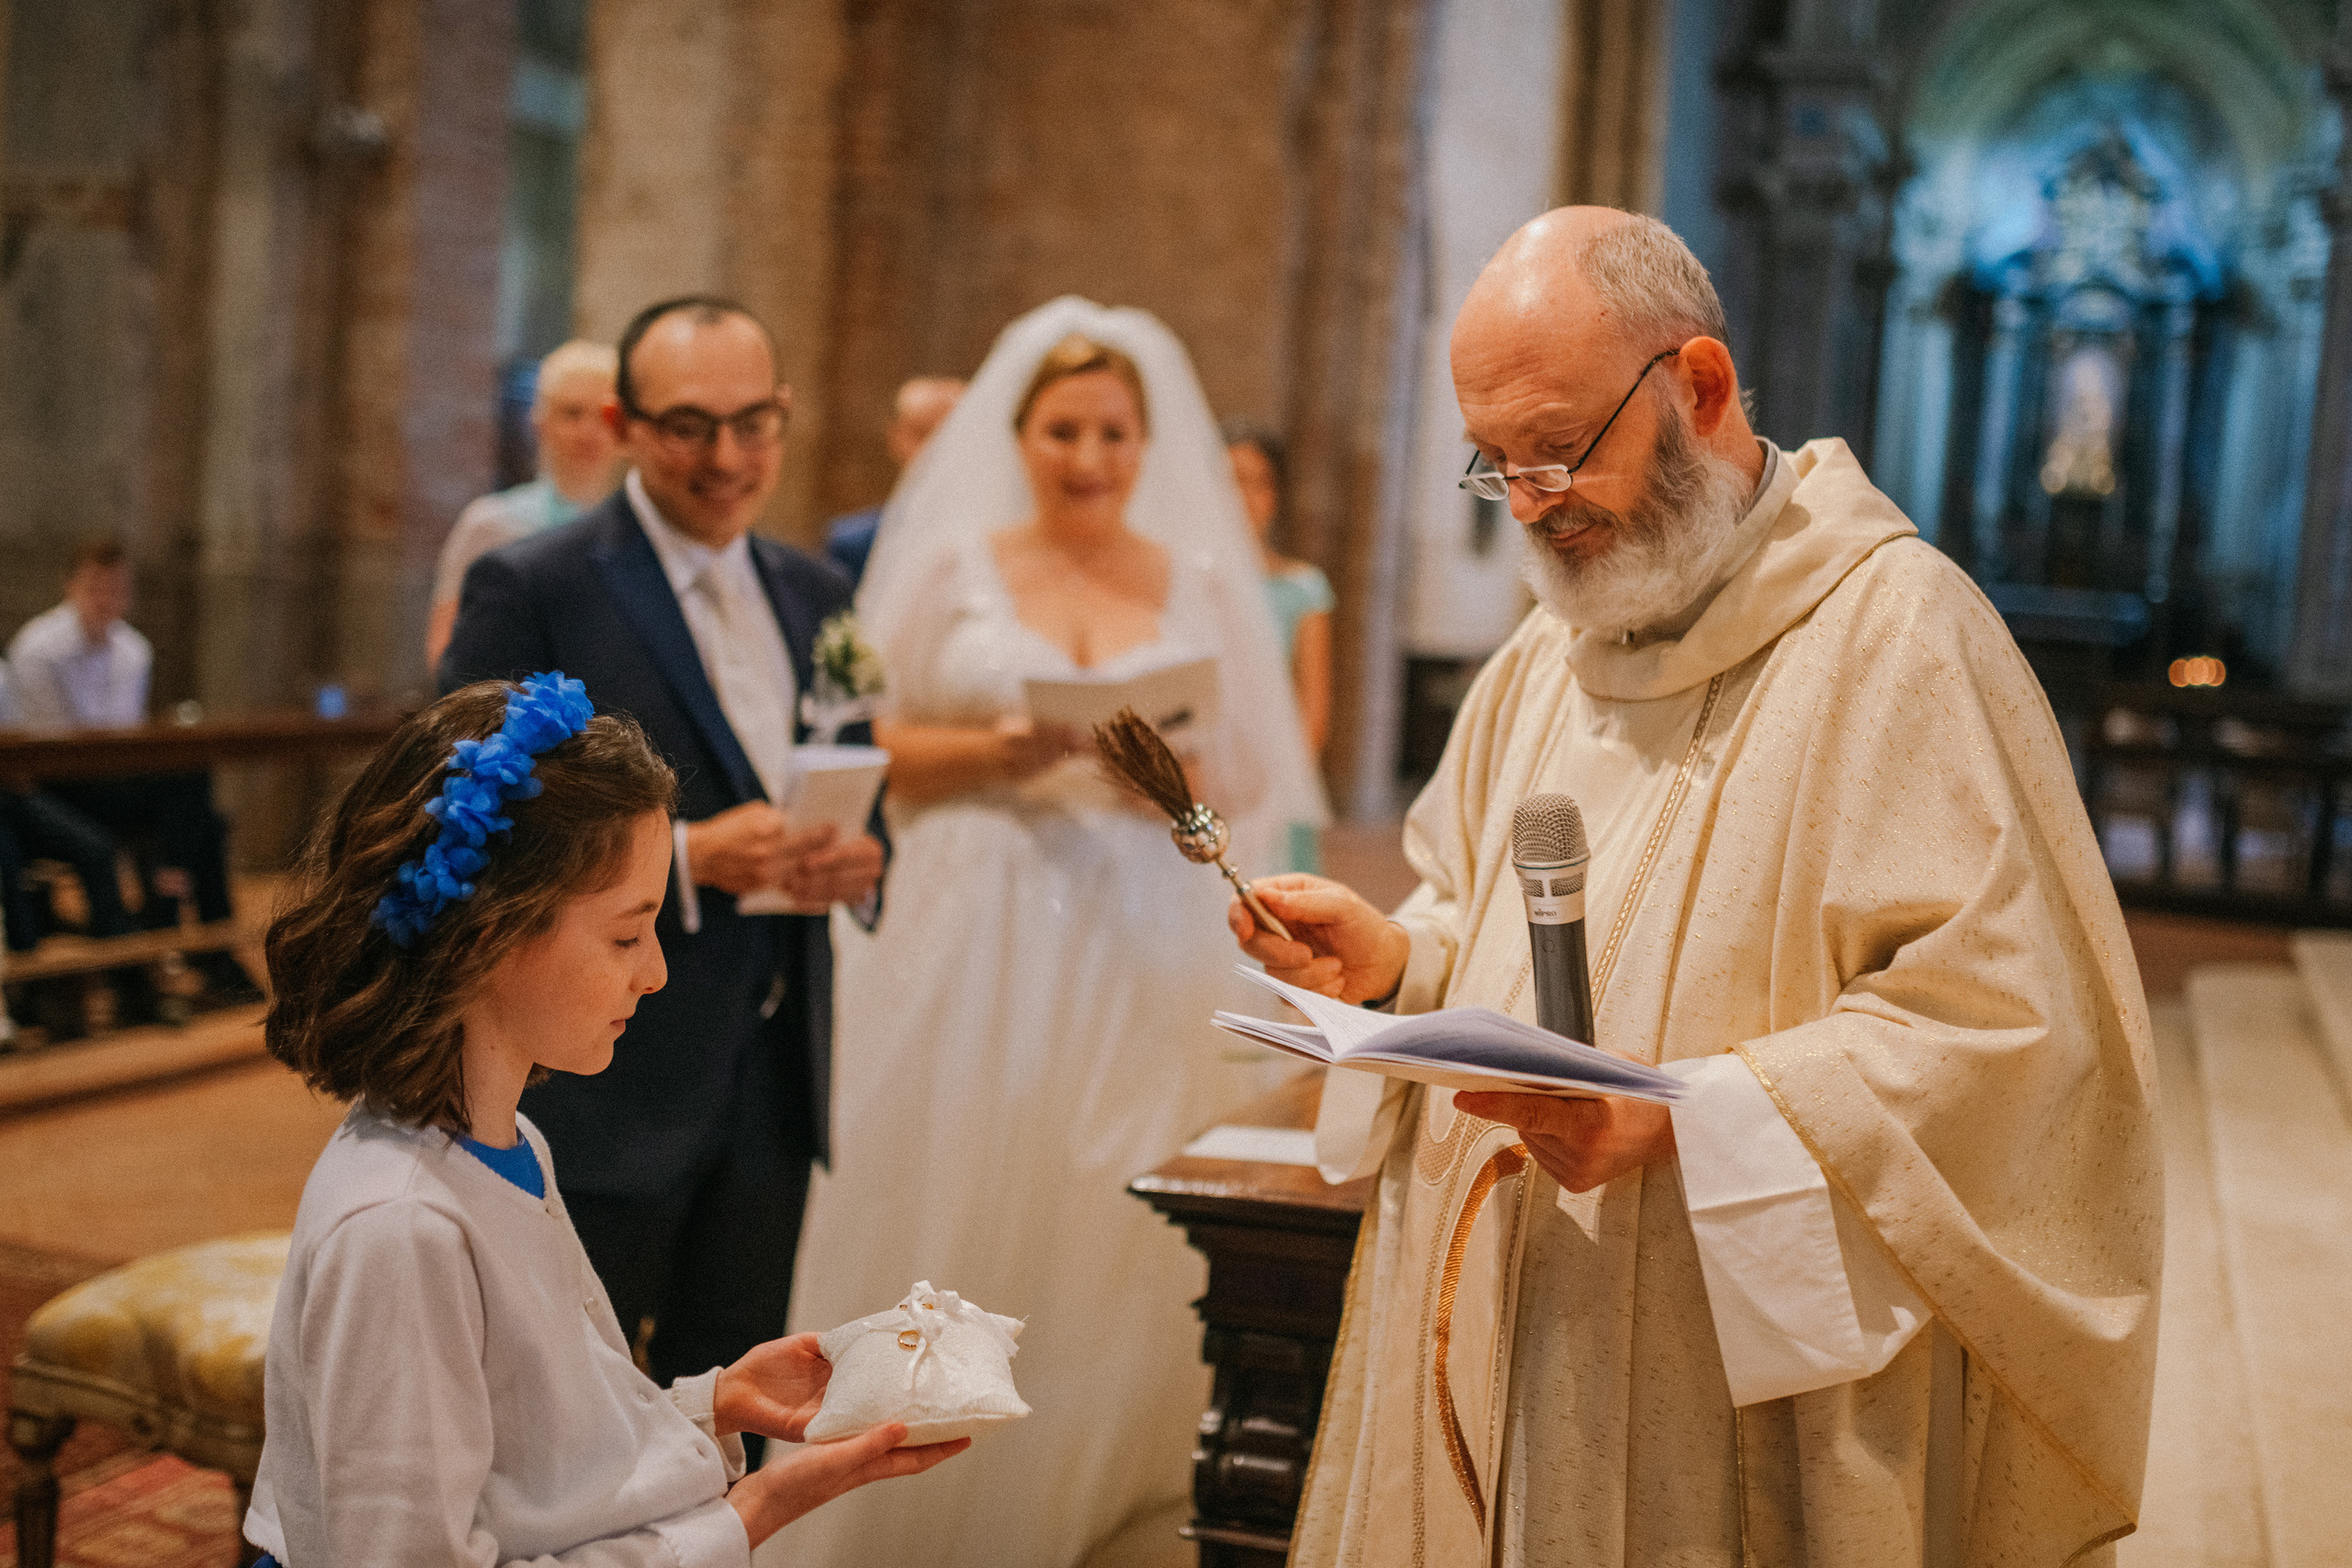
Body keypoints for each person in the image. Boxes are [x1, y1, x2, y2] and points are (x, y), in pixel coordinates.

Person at [1229, 210, 2159, 1566]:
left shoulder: (1898, 638)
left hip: (1724, 1372)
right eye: (1498, 467)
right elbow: (1469, 906)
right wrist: (1396, 963)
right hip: (1506, 1316)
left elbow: (2011, 1035)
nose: (1534, 502)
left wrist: (1686, 1119)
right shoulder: (1551, 651)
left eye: (1557, 449)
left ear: (1702, 387)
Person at [776, 299, 1327, 1568]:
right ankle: (920, 1472)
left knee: (1118, 1189)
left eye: (1115, 433)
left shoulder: (1193, 578)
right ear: (1016, 433)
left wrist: (1174, 772)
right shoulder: (951, 564)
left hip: (1145, 922)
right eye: (1066, 430)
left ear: (1147, 443)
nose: (1091, 457)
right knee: (965, 1167)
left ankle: (1106, 1466)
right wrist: (998, 747)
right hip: (980, 910)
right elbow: (867, 744)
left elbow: (1246, 769)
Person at [245, 673, 962, 1565]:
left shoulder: (509, 1141)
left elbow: (536, 1449)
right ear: (488, 934)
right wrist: (752, 1512)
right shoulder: (402, 1229)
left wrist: (718, 1402)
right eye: (627, 936)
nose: (655, 973)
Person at [440, 297, 887, 1413]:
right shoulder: (537, 585)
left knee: (733, 1403)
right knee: (559, 1412)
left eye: (753, 423)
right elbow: (461, 822)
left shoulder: (818, 593)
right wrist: (684, 859)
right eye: (690, 425)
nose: (727, 458)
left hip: (774, 1078)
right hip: (599, 1084)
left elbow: (857, 779)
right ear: (625, 423)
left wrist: (863, 859)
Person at [6, 537, 254, 1002]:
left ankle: (207, 945)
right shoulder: (38, 648)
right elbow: (49, 750)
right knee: (196, 814)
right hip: (58, 784)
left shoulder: (133, 649)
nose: (107, 599)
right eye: (96, 587)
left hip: (112, 775)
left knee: (199, 796)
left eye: (117, 589)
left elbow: (129, 735)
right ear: (72, 585)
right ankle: (167, 936)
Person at [424, 340, 624, 669]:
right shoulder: (489, 523)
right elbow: (446, 653)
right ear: (539, 422)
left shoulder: (639, 529)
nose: (588, 432)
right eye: (572, 413)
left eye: (604, 416)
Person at [1224, 419, 1332, 872]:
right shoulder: (1183, 587)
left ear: (1275, 496)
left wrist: (1280, 785)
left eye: (1256, 483)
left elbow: (1313, 706)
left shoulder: (1301, 588)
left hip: (1274, 777)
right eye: (1229, 482)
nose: (1242, 498)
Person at [820, 376, 965, 585]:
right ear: (896, 437)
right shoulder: (852, 543)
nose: (935, 450)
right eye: (922, 433)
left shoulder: (998, 542)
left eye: (948, 436)